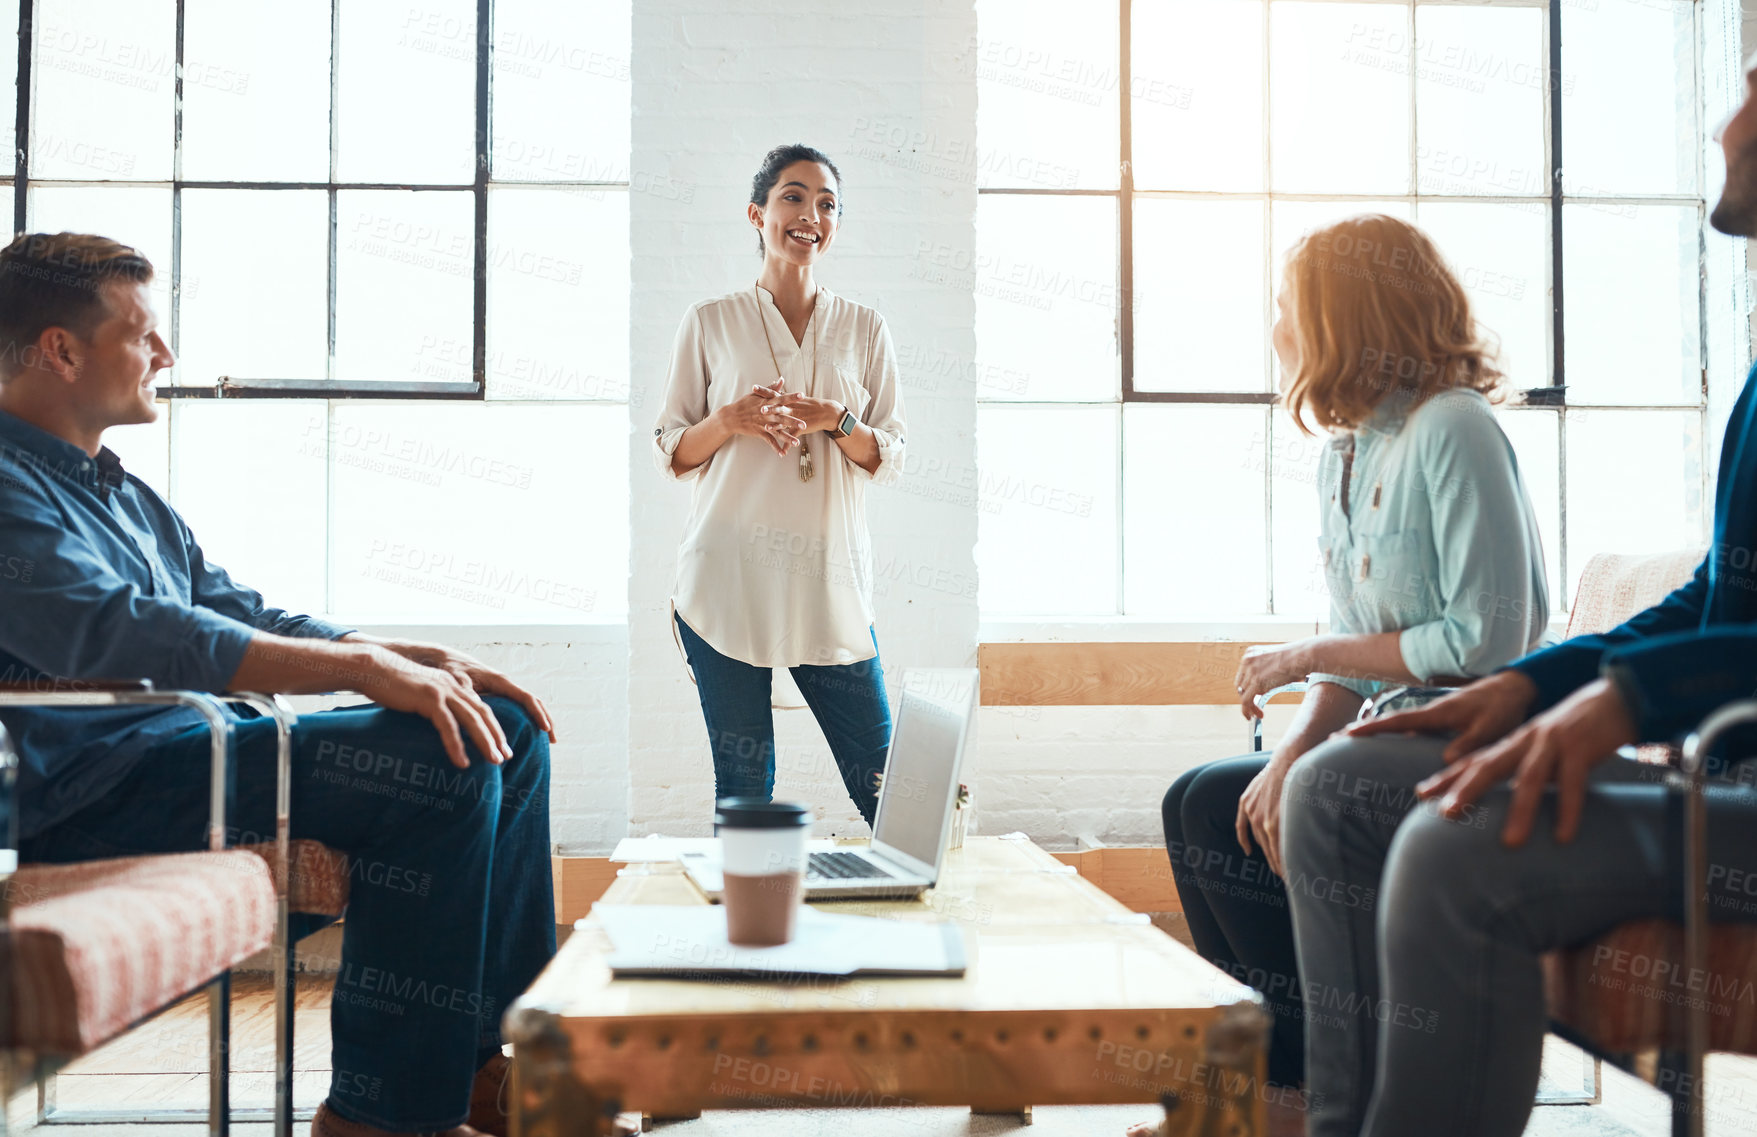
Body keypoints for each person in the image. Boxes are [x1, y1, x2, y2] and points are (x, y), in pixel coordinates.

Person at [1277, 54, 1757, 1137]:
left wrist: (1622, 701)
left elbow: (1483, 625)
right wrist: (1534, 688)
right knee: (1331, 793)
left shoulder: (1448, 429)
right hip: (1722, 776)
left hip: (1737, 788)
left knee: (1447, 849)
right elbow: (1712, 608)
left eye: (1748, 88)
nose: (1719, 126)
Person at [0, 232, 561, 1137]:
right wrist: (365, 672)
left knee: (501, 726)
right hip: (90, 792)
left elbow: (237, 608)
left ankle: (485, 1070)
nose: (167, 356)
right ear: (63, 349)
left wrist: (407, 656)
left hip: (194, 755)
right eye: (144, 335)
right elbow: (116, 630)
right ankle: (382, 1118)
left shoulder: (126, 496)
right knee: (442, 758)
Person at [1140, 215, 1549, 1133]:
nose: (1278, 328)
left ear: (1343, 317)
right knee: (1204, 803)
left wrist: (1307, 658)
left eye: (1288, 308)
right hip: (1379, 734)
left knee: (1308, 790)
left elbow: (1487, 639)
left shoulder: (1455, 427)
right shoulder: (1345, 451)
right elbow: (1365, 646)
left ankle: (1335, 1101)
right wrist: (1290, 750)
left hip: (1466, 740)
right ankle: (1275, 1091)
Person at [652, 143, 907, 826]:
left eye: (827, 204)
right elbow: (672, 450)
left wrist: (835, 418)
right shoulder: (709, 321)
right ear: (756, 213)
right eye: (793, 196)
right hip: (726, 579)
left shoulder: (863, 326)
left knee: (888, 786)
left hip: (828, 582)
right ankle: (743, 931)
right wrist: (730, 419)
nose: (810, 214)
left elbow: (890, 451)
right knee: (743, 787)